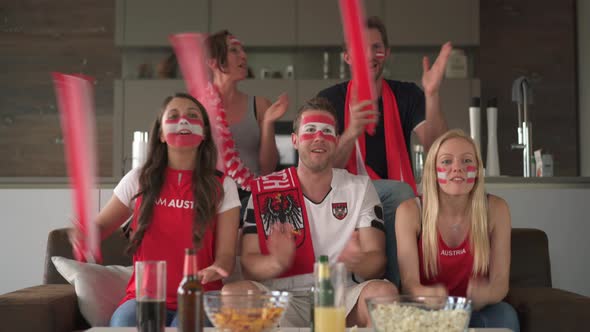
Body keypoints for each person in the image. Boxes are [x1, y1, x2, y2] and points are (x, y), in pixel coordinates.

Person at [70, 93, 241, 327]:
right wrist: (84, 235)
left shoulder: (224, 185)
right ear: (160, 134)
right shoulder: (139, 179)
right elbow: (100, 228)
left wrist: (217, 268)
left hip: (199, 298)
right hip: (144, 298)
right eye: (174, 116)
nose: (183, 121)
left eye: (192, 116)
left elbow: (226, 256)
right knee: (122, 326)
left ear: (204, 134)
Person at [224, 97, 397, 328]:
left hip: (340, 296)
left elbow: (377, 260)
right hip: (282, 299)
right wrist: (277, 262)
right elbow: (249, 264)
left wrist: (358, 261)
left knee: (384, 293)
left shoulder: (360, 187)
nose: (318, 137)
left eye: (327, 131)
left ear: (336, 141)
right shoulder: (267, 189)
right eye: (310, 130)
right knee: (233, 294)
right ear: (294, 140)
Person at [317, 16, 451, 286]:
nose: (369, 55)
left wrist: (432, 95)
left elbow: (439, 149)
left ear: (386, 53)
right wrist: (352, 130)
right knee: (403, 196)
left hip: (391, 201)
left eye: (377, 47)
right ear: (347, 56)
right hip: (341, 198)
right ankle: (398, 295)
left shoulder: (407, 95)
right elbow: (320, 170)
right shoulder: (328, 101)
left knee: (403, 200)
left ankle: (388, 291)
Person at [395, 129, 520, 331]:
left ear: (478, 170)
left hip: (477, 310)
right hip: (427, 310)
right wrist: (427, 295)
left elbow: (500, 283)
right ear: (433, 171)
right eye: (446, 161)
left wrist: (486, 294)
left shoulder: (497, 209)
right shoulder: (409, 211)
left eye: (466, 161)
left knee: (506, 315)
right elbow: (409, 285)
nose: (457, 169)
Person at [206, 30, 288, 200]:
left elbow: (268, 169)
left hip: (250, 198)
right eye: (234, 50)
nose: (244, 56)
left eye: (242, 50)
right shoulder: (197, 107)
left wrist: (267, 123)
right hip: (209, 198)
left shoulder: (260, 105)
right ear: (212, 61)